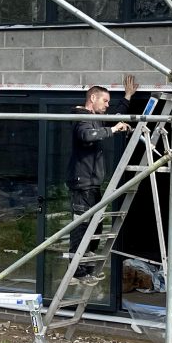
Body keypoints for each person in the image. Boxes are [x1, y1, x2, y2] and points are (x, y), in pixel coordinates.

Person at [66, 75, 139, 286]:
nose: (107, 105)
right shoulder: (80, 117)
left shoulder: (95, 117)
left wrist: (127, 97)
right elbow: (87, 136)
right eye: (104, 101)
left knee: (96, 226)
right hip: (81, 183)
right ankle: (76, 273)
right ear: (93, 98)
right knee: (81, 226)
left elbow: (115, 116)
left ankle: (87, 270)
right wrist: (113, 130)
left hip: (92, 182)